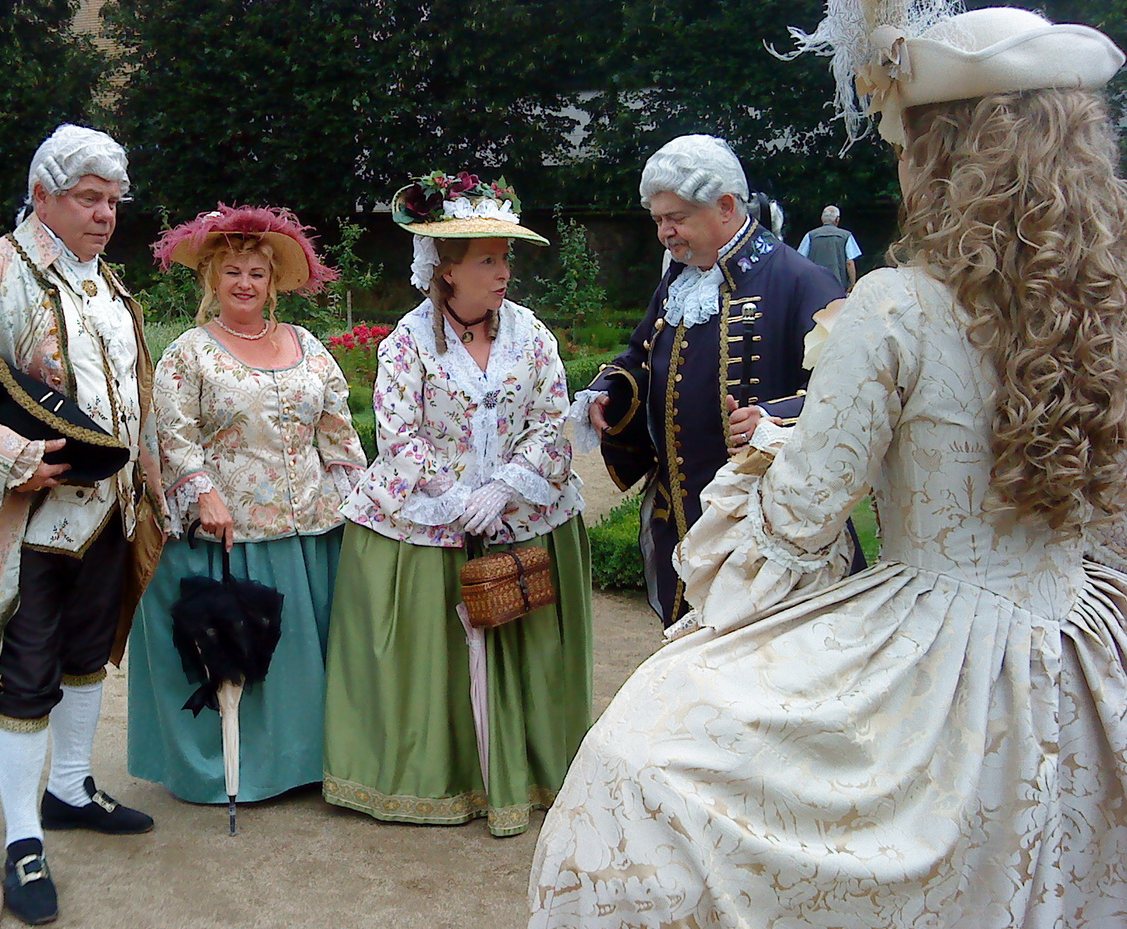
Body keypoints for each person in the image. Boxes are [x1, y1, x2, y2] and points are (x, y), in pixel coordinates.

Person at [495, 6, 1127, 929]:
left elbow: (793, 534)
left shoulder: (893, 306)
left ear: (947, 153)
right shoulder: (1105, 311)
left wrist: (756, 516)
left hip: (947, 673)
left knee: (640, 778)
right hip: (1088, 661)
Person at [0, 124, 164, 927]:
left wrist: (157, 492)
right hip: (27, 522)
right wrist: (7, 452)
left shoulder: (114, 291)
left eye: (113, 201)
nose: (104, 215)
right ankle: (24, 838)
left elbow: (137, 401)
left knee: (89, 656)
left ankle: (71, 789)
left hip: (107, 516)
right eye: (88, 198)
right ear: (42, 194)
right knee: (28, 672)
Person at [322, 171, 593, 838]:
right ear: (445, 270)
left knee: (524, 645)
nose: (504, 271)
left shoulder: (530, 335)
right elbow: (398, 433)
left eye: (506, 257)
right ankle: (437, 780)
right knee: (433, 661)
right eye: (488, 259)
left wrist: (507, 488)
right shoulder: (407, 343)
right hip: (430, 523)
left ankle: (528, 769)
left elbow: (550, 420)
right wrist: (455, 496)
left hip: (520, 518)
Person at [127, 206, 366, 804]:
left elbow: (336, 428)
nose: (244, 283)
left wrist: (359, 495)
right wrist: (203, 491)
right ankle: (244, 771)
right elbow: (170, 431)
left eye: (256, 273)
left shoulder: (307, 346)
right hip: (229, 536)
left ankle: (307, 763)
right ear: (212, 279)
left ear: (273, 283)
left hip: (309, 530)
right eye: (232, 271)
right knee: (242, 653)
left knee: (302, 657)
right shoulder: (191, 353)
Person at [579, 135, 846, 624]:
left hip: (761, 525)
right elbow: (641, 351)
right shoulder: (679, 281)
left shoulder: (801, 281)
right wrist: (611, 388)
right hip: (678, 512)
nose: (665, 233)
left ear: (725, 207)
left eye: (676, 218)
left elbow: (851, 394)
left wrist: (775, 418)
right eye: (658, 220)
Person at [797, 204, 862, 291]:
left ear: (822, 219)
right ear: (837, 219)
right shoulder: (846, 235)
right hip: (838, 285)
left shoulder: (810, 235)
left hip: (815, 284)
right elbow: (850, 263)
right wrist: (852, 284)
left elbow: (800, 260)